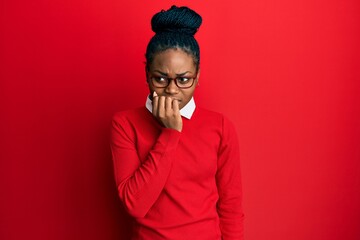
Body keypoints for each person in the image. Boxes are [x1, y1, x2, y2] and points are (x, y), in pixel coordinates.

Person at [110, 5, 244, 240]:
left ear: (197, 76)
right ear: (147, 74)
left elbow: (231, 208)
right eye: (160, 78)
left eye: (183, 80)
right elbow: (135, 205)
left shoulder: (220, 127)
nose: (172, 90)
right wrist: (170, 134)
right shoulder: (124, 124)